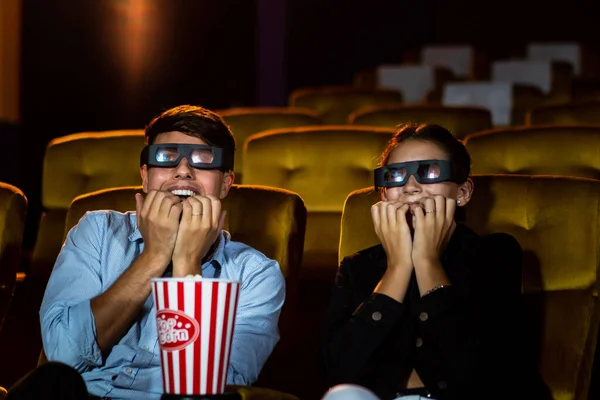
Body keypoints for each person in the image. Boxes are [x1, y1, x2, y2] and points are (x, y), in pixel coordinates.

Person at [39, 105, 285, 399]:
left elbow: (212, 390)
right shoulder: (97, 230)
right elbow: (60, 358)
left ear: (225, 184)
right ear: (145, 175)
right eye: (166, 158)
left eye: (203, 160)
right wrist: (154, 256)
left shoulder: (257, 274)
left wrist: (187, 262)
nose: (183, 171)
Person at [319, 123, 548, 400]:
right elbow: (337, 373)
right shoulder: (358, 267)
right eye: (395, 176)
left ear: (462, 193)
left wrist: (427, 261)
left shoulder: (492, 253)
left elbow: (486, 374)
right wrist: (398, 267)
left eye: (429, 172)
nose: (410, 187)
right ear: (383, 195)